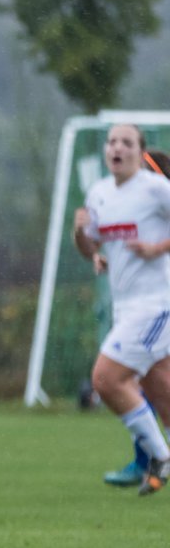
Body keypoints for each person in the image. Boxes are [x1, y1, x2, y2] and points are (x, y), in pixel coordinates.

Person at [74, 125, 170, 496]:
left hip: (157, 305)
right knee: (159, 390)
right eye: (112, 142)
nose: (117, 147)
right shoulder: (98, 193)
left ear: (140, 152)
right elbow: (91, 248)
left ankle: (160, 456)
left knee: (106, 379)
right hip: (125, 307)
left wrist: (157, 249)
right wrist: (82, 235)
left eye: (126, 142)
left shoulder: (155, 188)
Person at [103, 148, 170, 486]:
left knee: (122, 377)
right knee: (150, 381)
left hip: (159, 308)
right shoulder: (143, 212)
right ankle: (148, 462)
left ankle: (152, 461)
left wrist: (157, 249)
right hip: (148, 308)